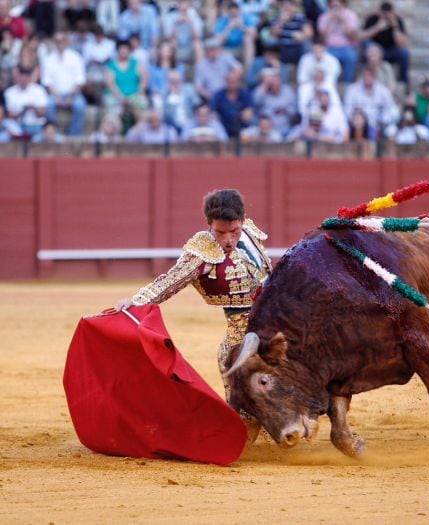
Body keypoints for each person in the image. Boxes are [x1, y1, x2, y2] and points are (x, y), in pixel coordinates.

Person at [115, 188, 272, 438]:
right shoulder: (201, 254)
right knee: (235, 374)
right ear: (209, 225)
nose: (228, 240)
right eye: (220, 233)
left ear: (243, 220)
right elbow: (168, 283)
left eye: (234, 231)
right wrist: (135, 303)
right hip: (241, 331)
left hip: (280, 319)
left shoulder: (251, 234)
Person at [41, 31, 87, 136]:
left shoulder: (76, 57)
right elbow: (47, 82)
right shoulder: (49, 59)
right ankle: (54, 135)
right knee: (48, 106)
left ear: (66, 42)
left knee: (80, 106)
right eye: (57, 41)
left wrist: (71, 97)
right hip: (55, 94)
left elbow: (80, 80)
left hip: (73, 94)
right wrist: (57, 97)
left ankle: (73, 135)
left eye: (62, 41)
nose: (59, 43)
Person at [360, 1, 410, 84]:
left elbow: (402, 43)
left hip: (390, 51)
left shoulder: (398, 21)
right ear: (379, 11)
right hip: (374, 51)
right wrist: (377, 28)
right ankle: (369, 79)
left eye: (388, 13)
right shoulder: (372, 19)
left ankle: (403, 82)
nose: (386, 16)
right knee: (368, 45)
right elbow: (362, 37)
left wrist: (395, 26)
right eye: (383, 13)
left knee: (404, 53)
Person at [316, 0, 360, 84]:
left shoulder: (351, 15)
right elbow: (321, 39)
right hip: (329, 48)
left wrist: (342, 20)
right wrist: (330, 21)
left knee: (351, 57)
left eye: (338, 5)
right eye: (333, 6)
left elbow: (353, 36)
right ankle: (330, 84)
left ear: (343, 4)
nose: (335, 8)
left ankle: (346, 85)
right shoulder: (324, 17)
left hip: (347, 47)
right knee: (325, 59)